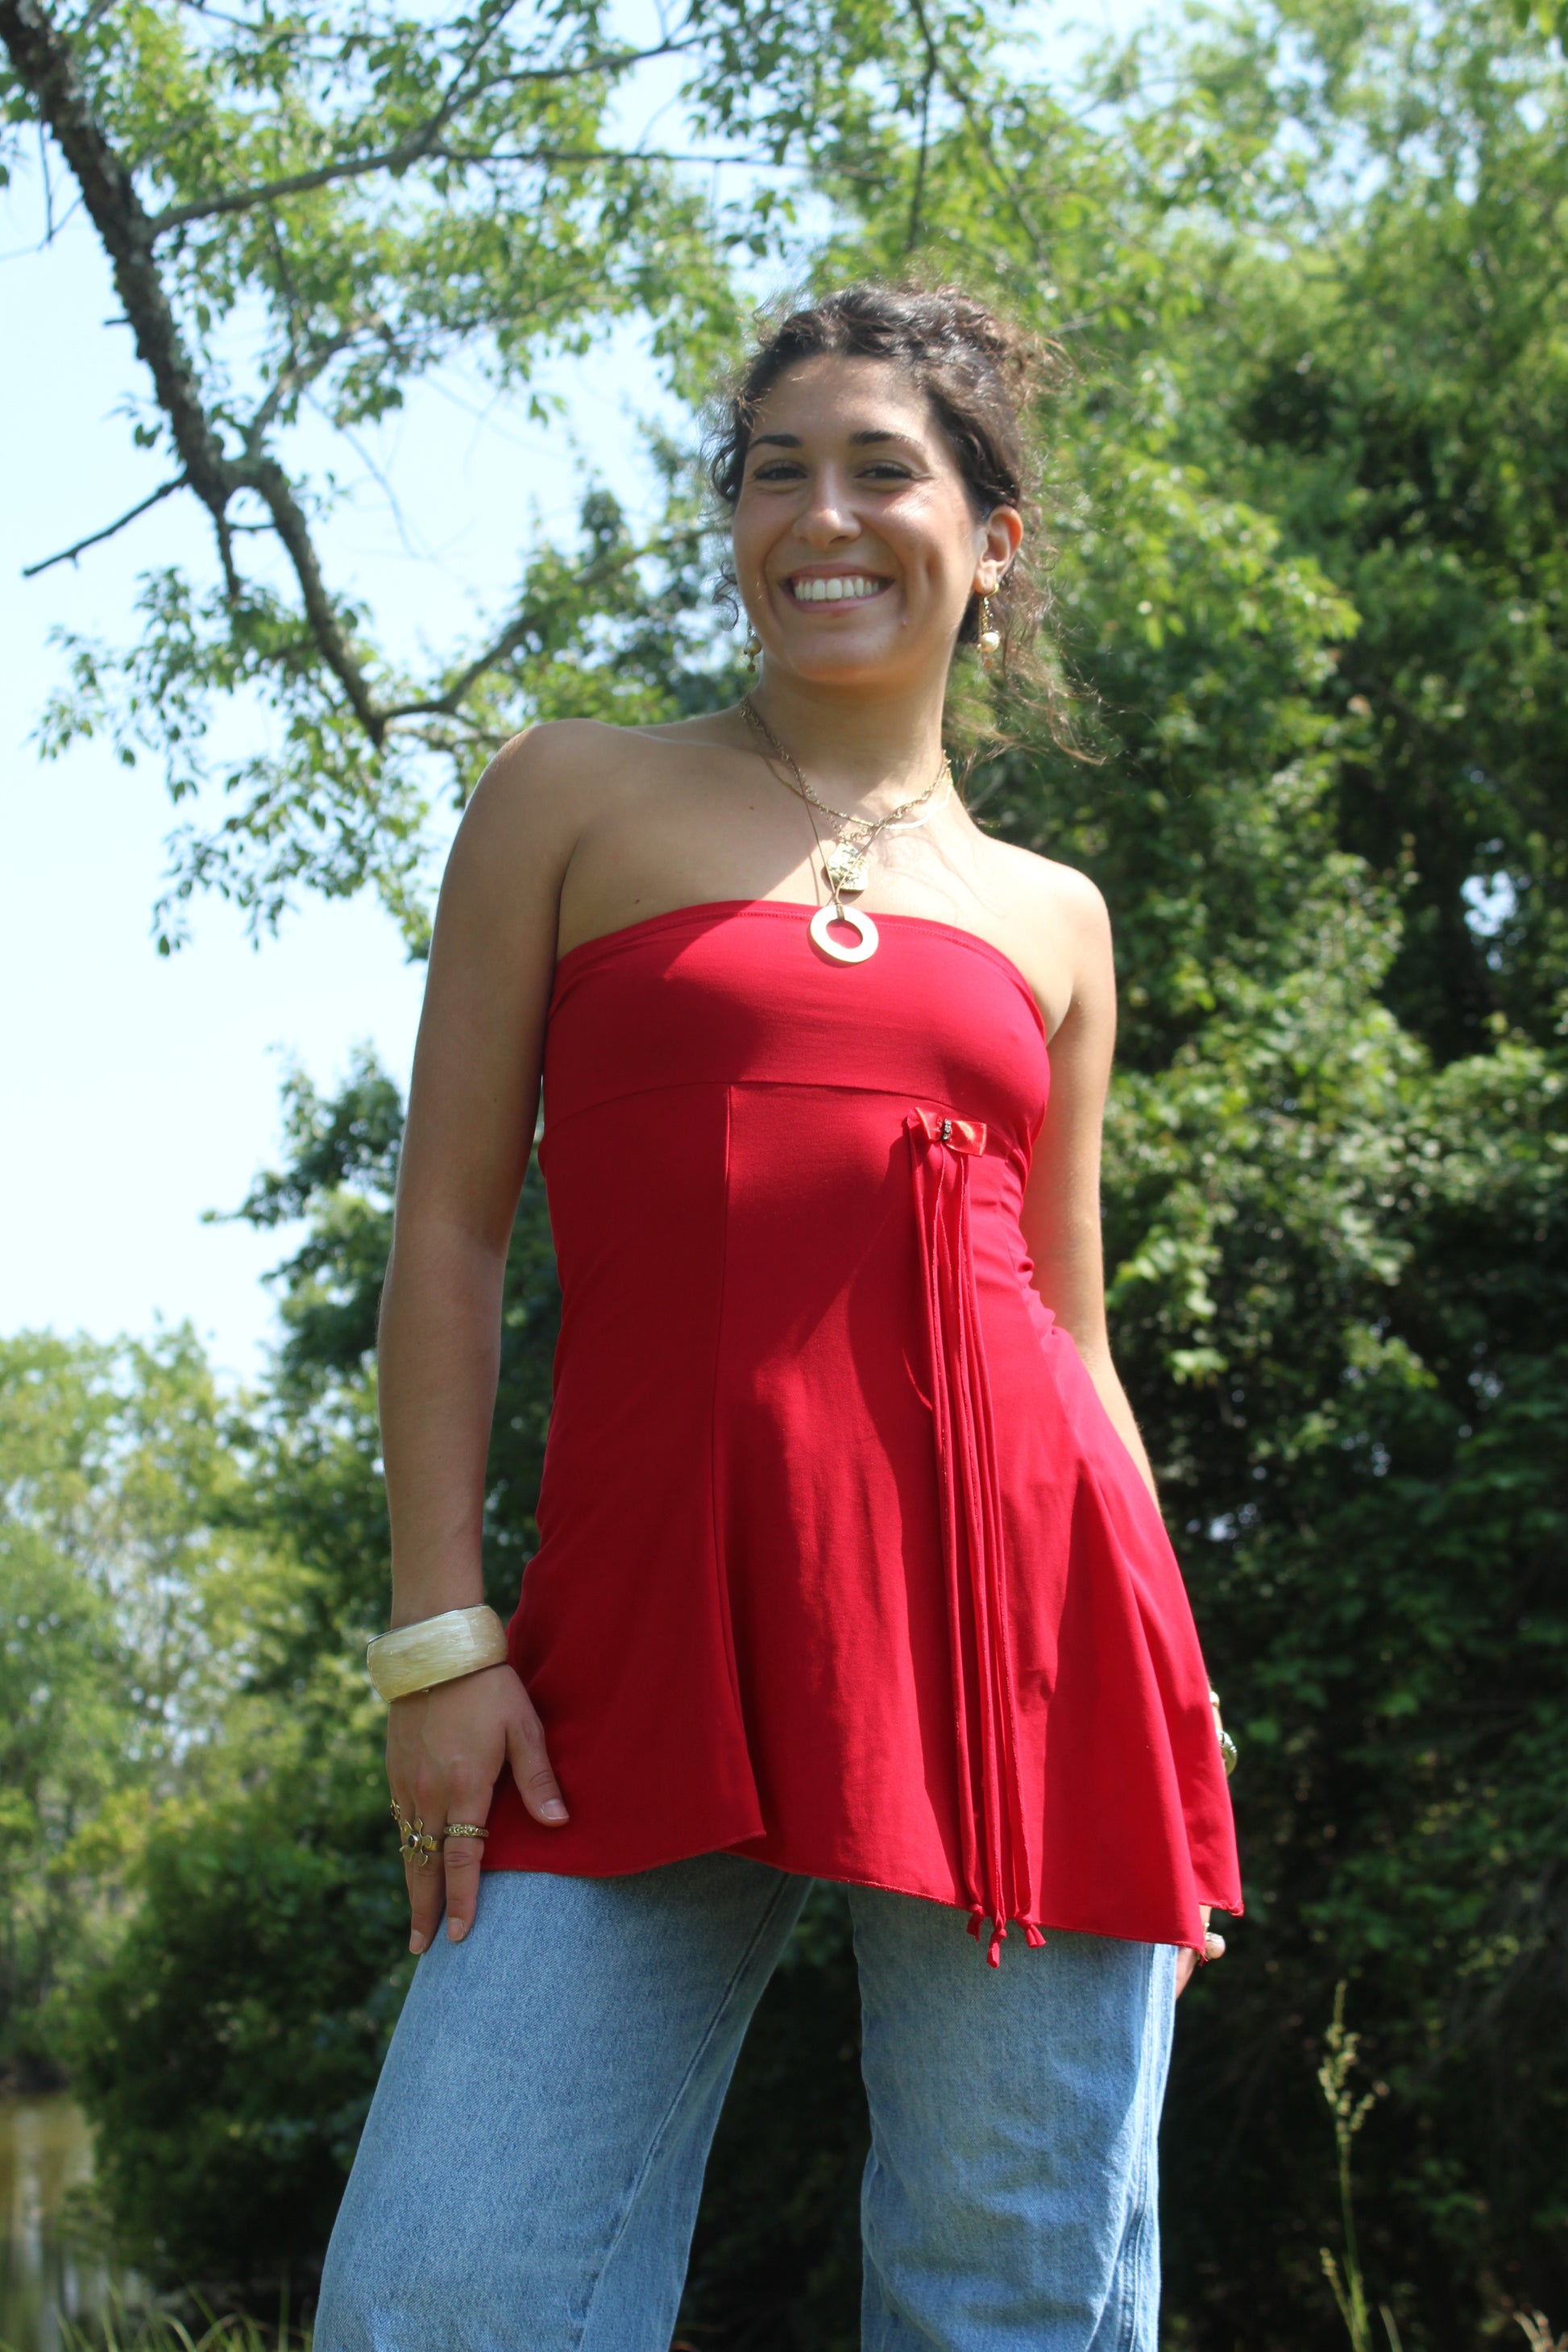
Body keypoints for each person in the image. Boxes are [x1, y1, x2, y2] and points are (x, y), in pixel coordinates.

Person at [313, 280, 1242, 2352]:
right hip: (636, 1628)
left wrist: (1176, 1714)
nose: (820, 515)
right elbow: (448, 1233)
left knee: (1011, 2297)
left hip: (1029, 1648)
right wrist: (440, 1629)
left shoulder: (1055, 916)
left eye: (881, 470)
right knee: (445, 2284)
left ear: (992, 541)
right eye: (772, 471)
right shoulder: (570, 794)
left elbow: (1072, 1334)